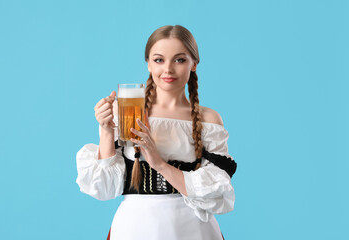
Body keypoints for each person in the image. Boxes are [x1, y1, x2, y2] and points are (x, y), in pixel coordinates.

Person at [76, 25, 237, 240]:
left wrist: (159, 163)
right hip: (135, 227)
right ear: (148, 64)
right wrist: (106, 131)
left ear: (194, 64)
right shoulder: (127, 109)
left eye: (179, 60)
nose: (168, 69)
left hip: (193, 229)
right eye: (159, 60)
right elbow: (104, 189)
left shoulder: (209, 119)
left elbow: (217, 191)